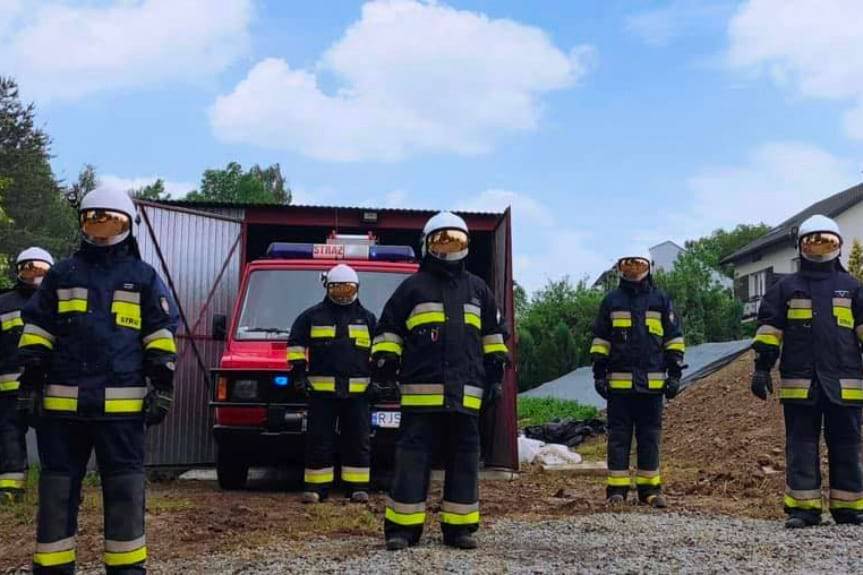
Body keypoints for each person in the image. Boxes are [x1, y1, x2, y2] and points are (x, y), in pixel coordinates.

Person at [17, 188, 178, 574]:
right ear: (82, 224)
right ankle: (53, 568)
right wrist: (30, 382)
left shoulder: (142, 278)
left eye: (111, 222)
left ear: (127, 225)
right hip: (62, 412)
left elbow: (160, 335)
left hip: (121, 415)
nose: (102, 230)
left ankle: (126, 570)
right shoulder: (61, 274)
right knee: (56, 496)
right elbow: (38, 330)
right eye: (93, 220)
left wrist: (164, 384)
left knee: (125, 496)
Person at [372, 211, 509, 551]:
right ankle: (402, 530)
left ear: (466, 245)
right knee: (411, 461)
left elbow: (493, 338)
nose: (448, 248)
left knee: (464, 461)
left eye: (456, 240)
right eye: (441, 240)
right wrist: (386, 364)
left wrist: (495, 376)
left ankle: (459, 529)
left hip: (466, 396)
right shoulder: (411, 288)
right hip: (421, 398)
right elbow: (388, 331)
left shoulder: (479, 290)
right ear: (427, 245)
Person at [751, 214, 863, 529]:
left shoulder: (852, 287)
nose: (819, 247)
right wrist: (761, 368)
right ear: (801, 247)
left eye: (826, 241)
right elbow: (769, 331)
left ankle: (849, 508)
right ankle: (804, 509)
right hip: (801, 383)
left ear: (838, 246)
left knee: (847, 444)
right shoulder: (785, 287)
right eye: (813, 242)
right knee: (801, 444)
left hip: (846, 383)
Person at [590, 251, 684, 508]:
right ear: (620, 267)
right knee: (619, 438)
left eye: (638, 263)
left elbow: (674, 338)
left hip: (653, 387)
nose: (632, 268)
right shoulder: (611, 301)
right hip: (619, 388)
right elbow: (600, 340)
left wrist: (675, 374)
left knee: (649, 438)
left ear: (649, 266)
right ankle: (616, 491)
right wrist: (599, 374)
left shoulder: (661, 300)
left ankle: (650, 490)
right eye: (627, 264)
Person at [287, 264, 376, 504]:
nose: (343, 294)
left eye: (348, 289)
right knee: (319, 440)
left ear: (357, 289)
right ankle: (316, 488)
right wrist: (298, 374)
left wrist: (380, 380)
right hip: (321, 394)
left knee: (358, 440)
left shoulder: (368, 319)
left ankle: (357, 487)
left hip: (358, 395)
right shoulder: (311, 317)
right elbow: (295, 345)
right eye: (337, 289)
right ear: (327, 288)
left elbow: (379, 353)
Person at [0, 247, 53, 503]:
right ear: (19, 271)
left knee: (52, 439)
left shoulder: (58, 302)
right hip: (10, 389)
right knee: (9, 436)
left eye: (40, 270)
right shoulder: (3, 303)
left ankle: (58, 489)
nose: (34, 275)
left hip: (47, 387)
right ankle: (11, 490)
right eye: (28, 268)